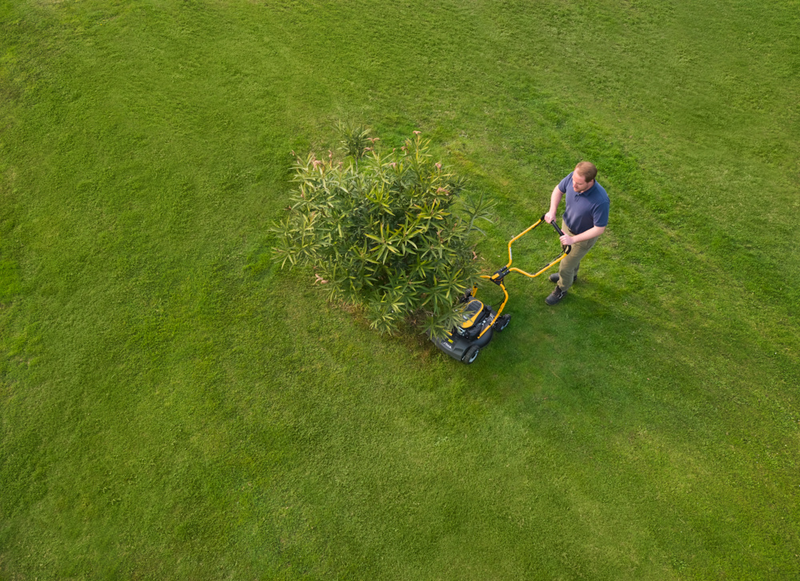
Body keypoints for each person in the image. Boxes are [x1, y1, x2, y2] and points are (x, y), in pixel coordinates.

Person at [542, 161, 610, 305]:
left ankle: (562, 288)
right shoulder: (574, 178)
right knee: (566, 253)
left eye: (579, 184)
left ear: (590, 181)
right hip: (566, 227)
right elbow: (558, 190)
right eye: (573, 181)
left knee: (565, 265)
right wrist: (552, 210)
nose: (573, 186)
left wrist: (573, 240)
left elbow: (599, 229)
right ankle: (571, 275)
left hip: (582, 238)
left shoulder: (601, 201)